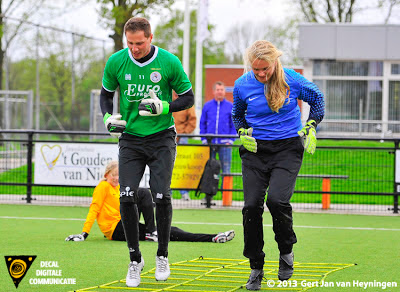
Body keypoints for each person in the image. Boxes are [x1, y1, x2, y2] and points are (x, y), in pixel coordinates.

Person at [99, 17, 194, 287]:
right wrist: (107, 117)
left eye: (139, 43)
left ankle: (162, 255)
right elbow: (105, 96)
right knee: (126, 196)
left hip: (162, 136)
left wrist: (164, 106)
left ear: (150, 37)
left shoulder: (169, 62)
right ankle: (135, 259)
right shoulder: (116, 61)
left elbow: (188, 98)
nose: (135, 48)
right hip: (130, 138)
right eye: (130, 43)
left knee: (161, 195)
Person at [232, 40, 325, 290]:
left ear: (275, 62)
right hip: (255, 150)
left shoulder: (292, 80)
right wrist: (241, 130)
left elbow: (317, 99)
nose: (261, 74)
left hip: (287, 149)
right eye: (256, 70)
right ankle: (256, 267)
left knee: (276, 201)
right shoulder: (242, 85)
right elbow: (237, 113)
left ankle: (286, 252)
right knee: (251, 207)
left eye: (266, 69)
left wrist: (312, 125)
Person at [65, 161, 235, 244]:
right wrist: (84, 233)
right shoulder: (103, 187)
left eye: (119, 175)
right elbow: (94, 209)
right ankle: (212, 238)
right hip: (116, 230)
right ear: (107, 174)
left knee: (165, 224)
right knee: (169, 232)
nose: (117, 178)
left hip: (123, 225)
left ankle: (153, 230)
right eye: (114, 175)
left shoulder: (119, 187)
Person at [200, 81, 237, 179]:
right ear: (214, 91)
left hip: (225, 144)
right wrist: (204, 139)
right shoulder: (207, 106)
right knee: (209, 170)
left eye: (221, 90)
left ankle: (225, 193)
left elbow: (234, 125)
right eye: (217, 90)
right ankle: (209, 193)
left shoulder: (230, 106)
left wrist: (230, 140)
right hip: (209, 144)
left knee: (226, 170)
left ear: (224, 92)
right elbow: (202, 123)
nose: (219, 92)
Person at [172, 91, 197, 201]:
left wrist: (184, 133)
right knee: (167, 164)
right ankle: (167, 192)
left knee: (183, 165)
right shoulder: (167, 98)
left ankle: (184, 192)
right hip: (168, 135)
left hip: (182, 137)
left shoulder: (187, 101)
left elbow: (192, 120)